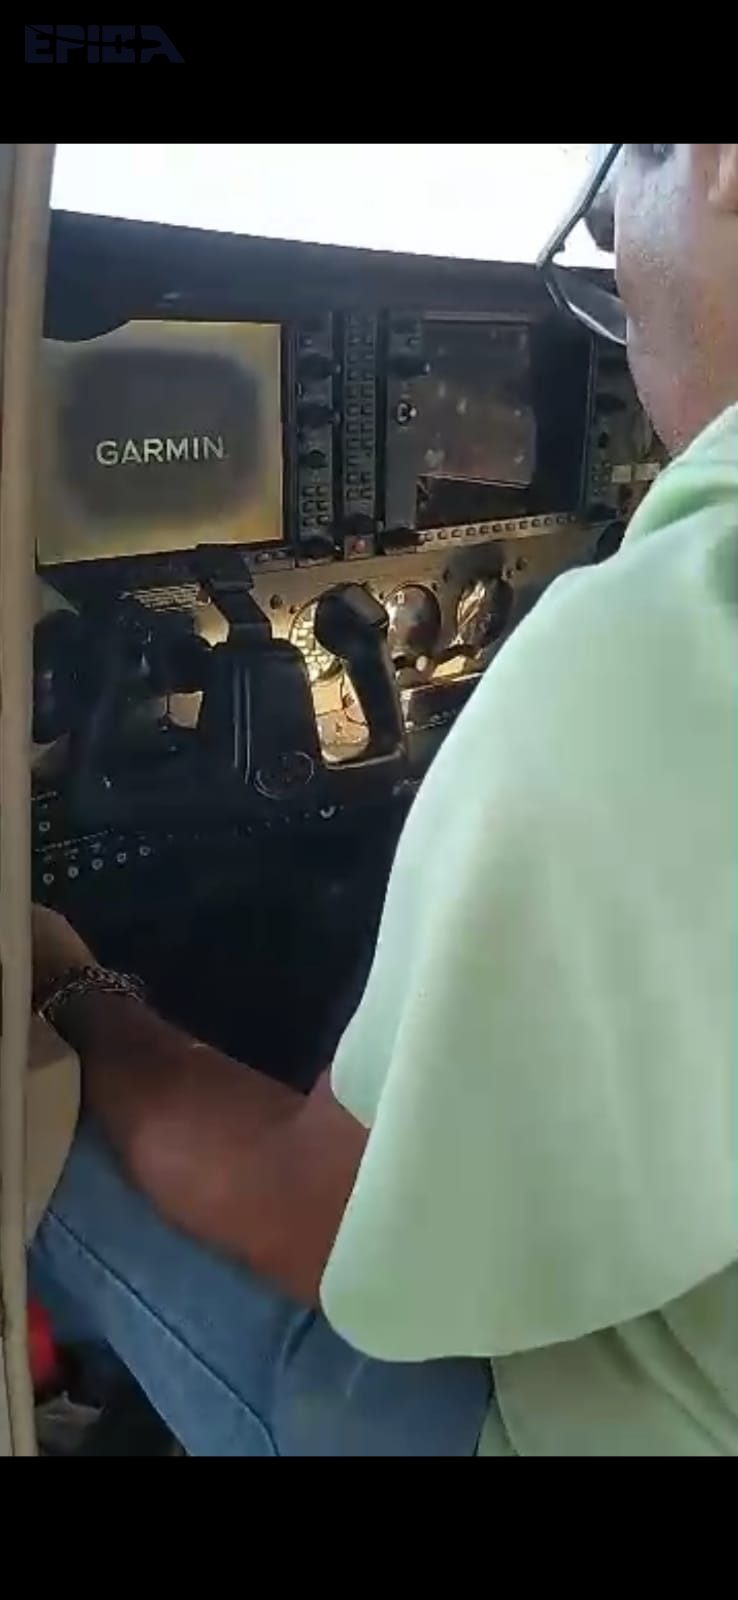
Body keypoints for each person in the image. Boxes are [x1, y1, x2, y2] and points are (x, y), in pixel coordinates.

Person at [30, 144, 738, 1455]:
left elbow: (324, 1223)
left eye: (620, 165)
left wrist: (77, 989)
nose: (602, 224)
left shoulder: (669, 635)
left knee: (33, 1107)